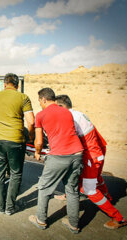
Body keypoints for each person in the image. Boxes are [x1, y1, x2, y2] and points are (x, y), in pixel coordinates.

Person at [55, 95, 127, 229]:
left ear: (61, 107)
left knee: (88, 189)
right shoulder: (79, 114)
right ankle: (107, 199)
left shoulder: (69, 118)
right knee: (96, 178)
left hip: (91, 156)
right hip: (99, 151)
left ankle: (118, 218)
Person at [29, 88, 84, 234]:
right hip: (77, 153)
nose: (39, 103)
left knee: (44, 188)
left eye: (39, 101)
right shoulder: (67, 112)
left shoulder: (40, 115)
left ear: (44, 99)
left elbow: (39, 141)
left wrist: (37, 152)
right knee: (72, 190)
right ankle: (73, 224)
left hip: (59, 155)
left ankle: (40, 220)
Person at [0, 73, 35, 215]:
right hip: (16, 140)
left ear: (5, 84)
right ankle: (10, 207)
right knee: (15, 173)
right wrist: (30, 135)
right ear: (17, 85)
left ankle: (0, 205)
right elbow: (31, 121)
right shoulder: (23, 97)